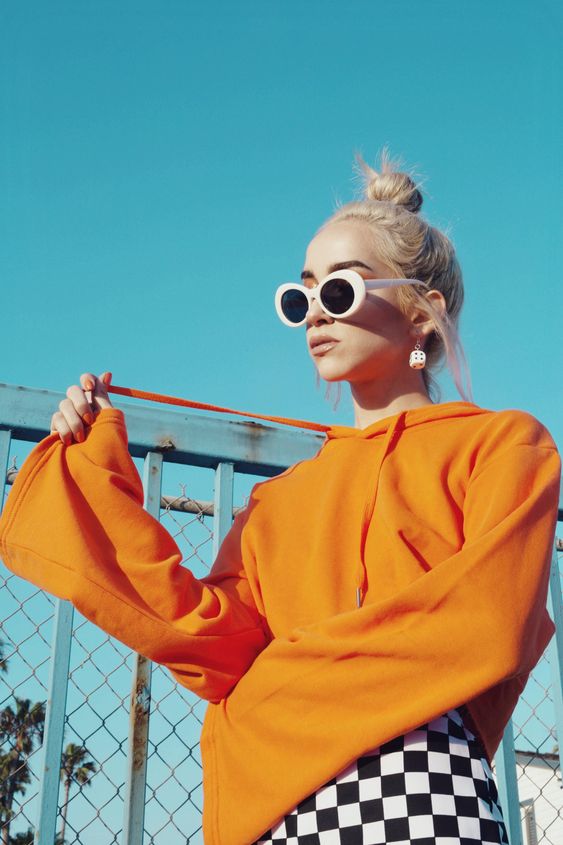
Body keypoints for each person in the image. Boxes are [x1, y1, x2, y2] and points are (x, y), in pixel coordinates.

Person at [0, 152, 560, 845]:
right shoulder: (274, 503)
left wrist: (271, 692)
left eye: (341, 291)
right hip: (276, 811)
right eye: (301, 297)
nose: (314, 314)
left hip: (423, 791)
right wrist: (92, 474)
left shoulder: (503, 446)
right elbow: (210, 642)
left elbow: (488, 625)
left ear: (422, 312)